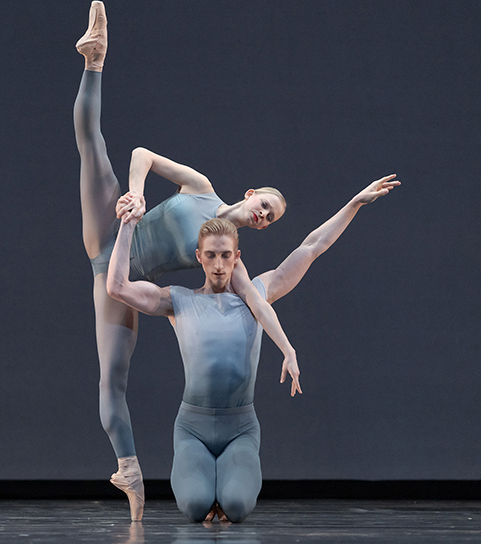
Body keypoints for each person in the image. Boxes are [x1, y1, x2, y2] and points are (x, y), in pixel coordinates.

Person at [74, 0, 300, 521]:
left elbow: (262, 307)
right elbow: (143, 156)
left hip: (120, 272)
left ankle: (128, 469)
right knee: (92, 147)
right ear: (250, 194)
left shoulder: (231, 260)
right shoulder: (200, 189)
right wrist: (135, 196)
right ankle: (95, 59)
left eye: (271, 219)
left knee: (111, 379)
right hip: (116, 223)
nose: (264, 216)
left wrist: (286, 347)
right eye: (264, 205)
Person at [106, 175, 400, 522]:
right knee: (195, 507)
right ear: (199, 256)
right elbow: (117, 287)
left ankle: (228, 484)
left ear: (237, 257)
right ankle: (206, 485)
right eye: (211, 256)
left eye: (226, 256)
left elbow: (312, 246)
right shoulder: (177, 300)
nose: (218, 265)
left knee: (237, 506)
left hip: (240, 427)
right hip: (192, 428)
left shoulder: (259, 294)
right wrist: (128, 224)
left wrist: (354, 203)